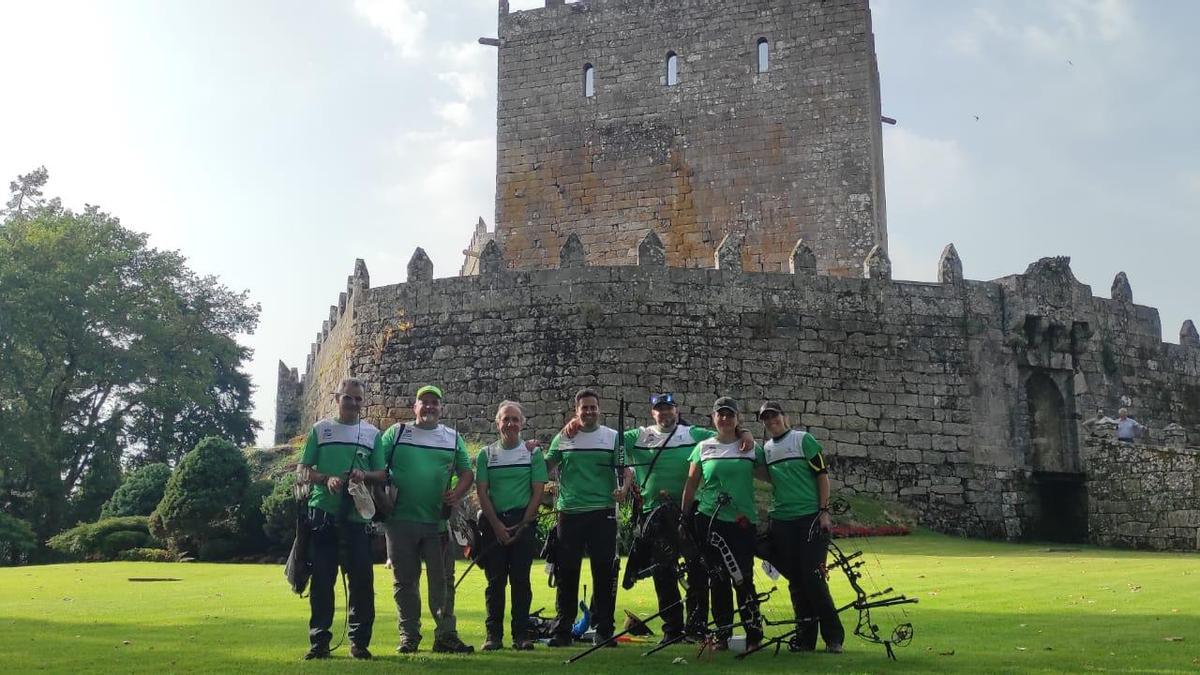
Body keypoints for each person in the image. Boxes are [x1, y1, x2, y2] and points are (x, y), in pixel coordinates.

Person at [563, 393, 753, 643]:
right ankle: (673, 629)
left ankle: (696, 628)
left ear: (677, 411)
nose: (665, 413)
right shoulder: (639, 436)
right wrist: (576, 423)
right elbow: (607, 439)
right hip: (655, 514)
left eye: (669, 409)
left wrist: (745, 431)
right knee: (663, 574)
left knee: (698, 572)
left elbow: (725, 435)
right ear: (653, 413)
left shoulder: (692, 434)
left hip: (689, 511)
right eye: (659, 410)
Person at [376, 384, 475, 654]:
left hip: (438, 523)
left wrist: (456, 493)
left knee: (443, 581)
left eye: (434, 403)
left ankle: (445, 636)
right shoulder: (396, 434)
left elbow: (467, 473)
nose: (429, 406)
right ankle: (409, 636)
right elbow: (377, 468)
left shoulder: (452, 438)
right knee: (404, 582)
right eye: (424, 402)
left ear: (441, 409)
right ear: (414, 407)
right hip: (399, 521)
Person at [297, 377, 382, 660]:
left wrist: (363, 475)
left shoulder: (372, 434)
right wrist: (326, 479)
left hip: (357, 516)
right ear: (337, 398)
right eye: (348, 398)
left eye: (358, 399)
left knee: (361, 581)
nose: (354, 404)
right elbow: (304, 470)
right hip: (323, 513)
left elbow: (381, 474)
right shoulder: (321, 430)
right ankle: (319, 642)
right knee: (322, 580)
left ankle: (359, 642)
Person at [757, 401, 844, 654]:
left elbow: (822, 475)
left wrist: (824, 511)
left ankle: (833, 637)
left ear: (785, 417)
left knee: (813, 578)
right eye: (766, 418)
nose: (770, 421)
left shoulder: (803, 440)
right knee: (796, 581)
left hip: (809, 517)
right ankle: (805, 638)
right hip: (782, 520)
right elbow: (766, 475)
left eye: (774, 416)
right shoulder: (767, 449)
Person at [544, 388, 629, 647]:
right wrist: (532, 451)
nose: (589, 411)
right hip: (569, 512)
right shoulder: (564, 437)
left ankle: (604, 630)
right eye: (584, 408)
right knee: (566, 573)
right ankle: (562, 630)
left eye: (593, 407)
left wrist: (623, 489)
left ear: (599, 409)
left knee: (603, 573)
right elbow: (547, 466)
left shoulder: (612, 437)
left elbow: (626, 470)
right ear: (576, 410)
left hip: (602, 512)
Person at [679, 396, 765, 651]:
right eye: (720, 415)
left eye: (730, 414)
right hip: (711, 520)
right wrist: (684, 517)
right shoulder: (703, 447)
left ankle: (753, 635)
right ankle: (723, 634)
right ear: (713, 418)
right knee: (717, 579)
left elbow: (772, 476)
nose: (725, 419)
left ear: (737, 419)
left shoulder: (749, 446)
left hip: (741, 522)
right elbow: (692, 484)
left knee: (744, 578)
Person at [475, 401, 547, 651]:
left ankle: (521, 635)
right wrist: (496, 525)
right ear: (497, 423)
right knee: (495, 582)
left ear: (523, 423)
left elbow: (537, 492)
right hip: (493, 522)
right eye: (506, 419)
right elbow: (482, 493)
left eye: (515, 419)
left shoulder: (532, 454)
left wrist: (523, 524)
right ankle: (493, 636)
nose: (511, 424)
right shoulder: (487, 454)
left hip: (523, 523)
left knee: (520, 581)